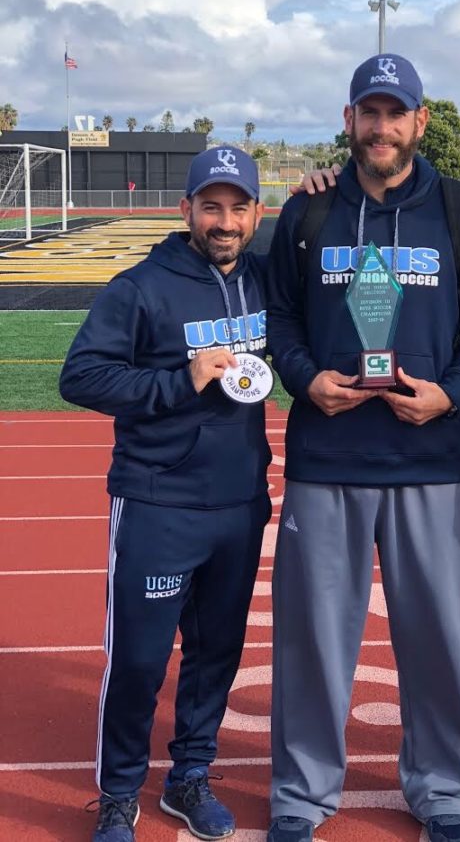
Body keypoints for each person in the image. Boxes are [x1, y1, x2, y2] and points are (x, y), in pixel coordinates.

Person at [265, 53, 460, 842]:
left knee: (436, 640)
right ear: (348, 121)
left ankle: (439, 791)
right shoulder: (306, 216)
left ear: (419, 122)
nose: (380, 127)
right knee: (310, 643)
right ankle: (301, 797)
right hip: (327, 457)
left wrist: (453, 393)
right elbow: (280, 322)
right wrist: (305, 381)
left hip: (429, 461)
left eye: (394, 112)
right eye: (367, 112)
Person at [60, 147, 271, 842]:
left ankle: (189, 776)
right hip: (157, 500)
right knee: (142, 660)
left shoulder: (266, 282)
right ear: (185, 211)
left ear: (256, 213)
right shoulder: (140, 287)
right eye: (211, 206)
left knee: (216, 655)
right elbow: (82, 378)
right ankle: (119, 793)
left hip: (240, 505)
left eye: (238, 207)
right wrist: (178, 379)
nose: (225, 220)